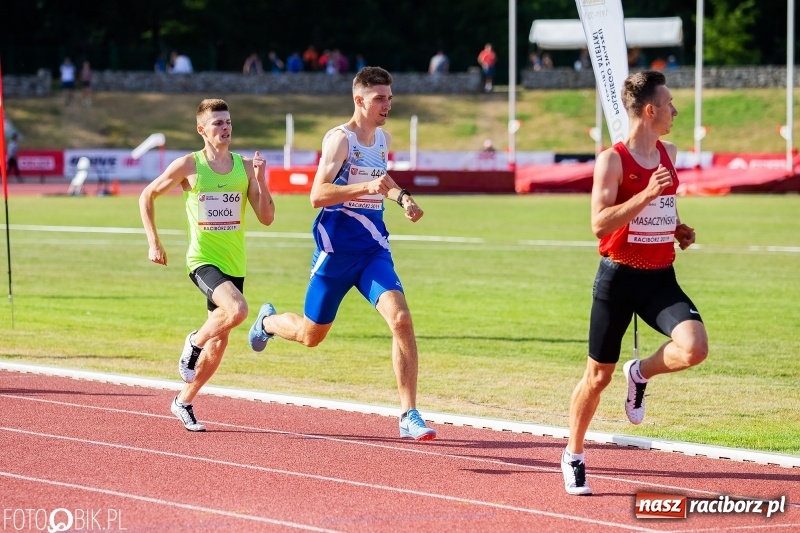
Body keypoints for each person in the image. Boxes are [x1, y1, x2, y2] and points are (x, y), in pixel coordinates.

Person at [247, 66, 437, 441]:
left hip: (372, 250)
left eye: (389, 97)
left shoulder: (382, 139)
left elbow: (382, 182)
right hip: (334, 253)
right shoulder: (340, 140)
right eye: (379, 98)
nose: (387, 104)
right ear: (359, 100)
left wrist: (402, 199)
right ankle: (267, 323)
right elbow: (317, 195)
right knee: (309, 336)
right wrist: (366, 185)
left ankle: (408, 414)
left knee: (400, 320)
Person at [561, 70, 708, 495]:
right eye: (669, 104)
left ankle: (640, 373)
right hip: (619, 277)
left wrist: (677, 228)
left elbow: (663, 207)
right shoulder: (612, 160)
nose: (675, 111)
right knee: (596, 378)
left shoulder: (670, 152)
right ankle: (573, 454)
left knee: (695, 347)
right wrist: (644, 194)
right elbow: (598, 223)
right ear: (650, 110)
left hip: (660, 277)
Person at [139, 98, 276, 431]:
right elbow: (147, 195)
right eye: (217, 123)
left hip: (235, 264)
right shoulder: (190, 165)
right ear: (202, 129)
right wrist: (153, 241)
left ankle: (183, 400)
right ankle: (193, 343)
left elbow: (267, 217)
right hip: (202, 261)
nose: (225, 128)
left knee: (221, 340)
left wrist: (260, 178)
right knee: (239, 310)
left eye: (228, 122)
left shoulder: (245, 167)